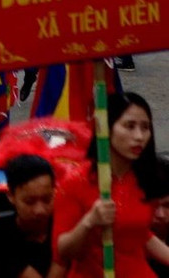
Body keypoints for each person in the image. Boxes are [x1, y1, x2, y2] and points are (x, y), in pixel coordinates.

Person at [52, 92, 169, 277]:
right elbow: (62, 252)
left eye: (145, 127)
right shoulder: (75, 182)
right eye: (129, 126)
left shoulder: (145, 177)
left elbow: (138, 234)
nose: (139, 136)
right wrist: (89, 222)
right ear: (105, 127)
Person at [0, 154, 55, 278]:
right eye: (29, 202)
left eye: (47, 199)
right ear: (11, 196)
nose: (40, 210)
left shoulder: (66, 225)